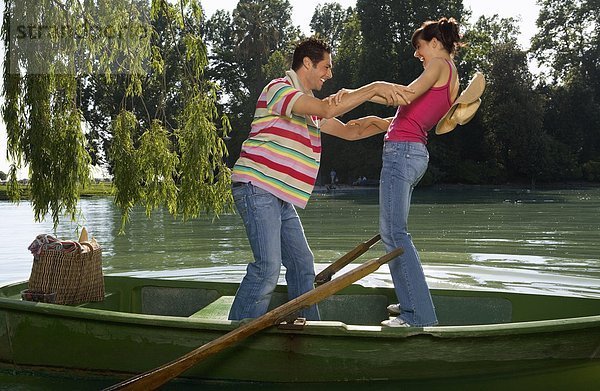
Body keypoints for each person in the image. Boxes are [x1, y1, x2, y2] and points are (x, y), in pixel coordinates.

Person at [228, 37, 414, 321]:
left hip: (278, 195)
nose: (330, 74)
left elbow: (352, 130)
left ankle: (308, 328)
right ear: (307, 63)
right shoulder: (278, 89)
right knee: (267, 268)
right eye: (325, 67)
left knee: (303, 264)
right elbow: (328, 109)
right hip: (256, 188)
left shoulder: (310, 108)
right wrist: (374, 88)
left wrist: (400, 124)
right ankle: (235, 333)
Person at [343, 17, 464, 327]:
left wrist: (369, 88)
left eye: (419, 46)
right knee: (394, 232)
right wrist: (361, 96)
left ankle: (417, 315)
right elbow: (403, 103)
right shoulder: (450, 74)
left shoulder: (438, 66)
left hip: (402, 153)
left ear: (435, 44)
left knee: (395, 233)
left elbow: (405, 95)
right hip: (411, 152)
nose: (417, 54)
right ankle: (412, 302)